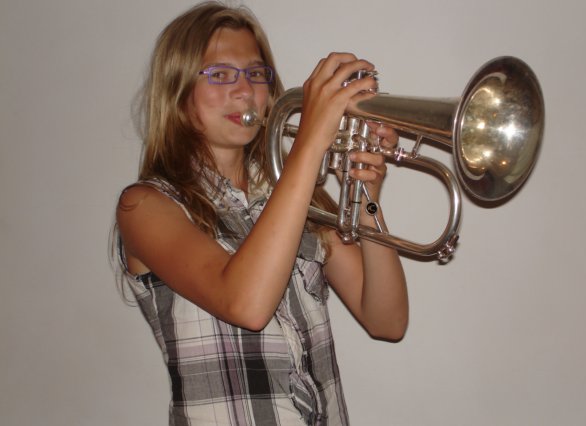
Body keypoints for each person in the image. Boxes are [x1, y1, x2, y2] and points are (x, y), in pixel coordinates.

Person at [113, 2, 408, 425]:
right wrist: (310, 143)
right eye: (220, 75)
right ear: (178, 92)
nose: (244, 91)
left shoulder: (294, 197)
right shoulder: (145, 206)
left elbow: (387, 320)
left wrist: (366, 197)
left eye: (256, 74)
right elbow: (246, 304)